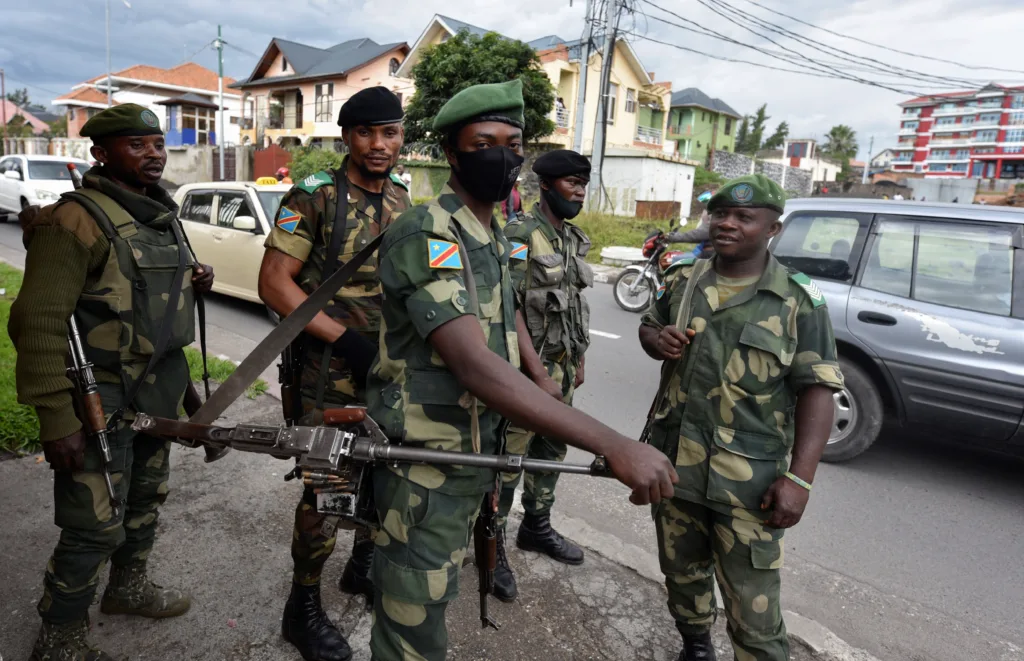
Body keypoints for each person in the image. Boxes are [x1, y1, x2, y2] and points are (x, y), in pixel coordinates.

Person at [366, 79, 677, 661]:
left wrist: (539, 373)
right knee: (412, 616)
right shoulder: (429, 230)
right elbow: (473, 364)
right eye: (484, 142)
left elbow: (506, 314)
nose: (503, 155)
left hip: (477, 451)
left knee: (438, 594)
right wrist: (610, 443)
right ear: (453, 153)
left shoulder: (485, 233)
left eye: (513, 143)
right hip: (426, 461)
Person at [8, 103, 215, 661]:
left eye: (156, 143)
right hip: (98, 402)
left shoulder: (161, 215)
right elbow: (37, 322)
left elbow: (153, 312)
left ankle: (127, 589)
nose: (153, 154)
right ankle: (60, 636)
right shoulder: (75, 220)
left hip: (156, 396)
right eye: (136, 144)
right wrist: (56, 419)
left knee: (146, 501)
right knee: (92, 524)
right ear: (100, 153)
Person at [637, 174, 844, 661]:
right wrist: (656, 341)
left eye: (744, 217)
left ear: (773, 228)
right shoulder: (684, 279)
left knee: (755, 614)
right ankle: (695, 645)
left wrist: (801, 480)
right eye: (721, 214)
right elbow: (648, 328)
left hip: (749, 485)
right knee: (681, 577)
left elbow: (818, 390)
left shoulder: (798, 299)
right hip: (674, 468)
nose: (728, 224)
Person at [257, 86, 411, 661]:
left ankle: (362, 568)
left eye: (389, 132)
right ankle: (302, 606)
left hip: (386, 370)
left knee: (384, 470)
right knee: (328, 488)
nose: (378, 144)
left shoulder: (401, 199)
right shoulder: (315, 196)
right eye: (366, 132)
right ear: (346, 137)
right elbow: (274, 283)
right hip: (329, 372)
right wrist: (347, 339)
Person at [492, 149, 593, 602]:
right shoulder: (519, 234)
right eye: (572, 182)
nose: (580, 191)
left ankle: (536, 527)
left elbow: (572, 303)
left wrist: (578, 360)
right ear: (547, 186)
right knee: (509, 460)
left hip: (562, 368)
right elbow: (508, 307)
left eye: (584, 184)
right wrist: (536, 373)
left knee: (551, 452)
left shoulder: (571, 238)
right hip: (526, 373)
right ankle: (492, 545)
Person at [666, 188, 716, 259]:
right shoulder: (715, 214)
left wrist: (675, 237)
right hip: (706, 250)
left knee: (675, 259)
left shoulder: (715, 216)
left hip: (710, 254)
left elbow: (701, 233)